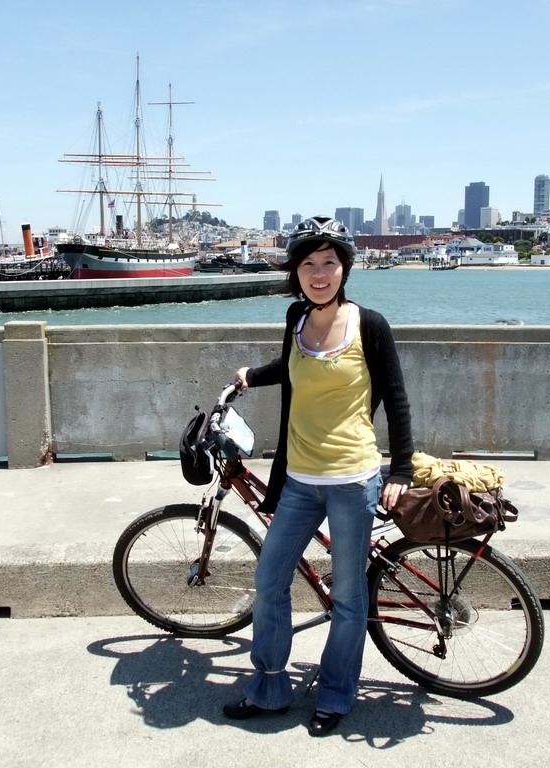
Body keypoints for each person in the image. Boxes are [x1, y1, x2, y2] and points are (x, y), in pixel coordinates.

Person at [222, 216, 414, 737]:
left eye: (329, 262)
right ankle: (268, 687)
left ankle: (334, 695)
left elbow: (396, 398)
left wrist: (401, 468)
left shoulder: (369, 324)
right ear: (296, 272)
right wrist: (252, 376)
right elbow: (291, 367)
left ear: (344, 267)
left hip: (353, 479)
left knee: (349, 597)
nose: (319, 273)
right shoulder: (295, 318)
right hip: (301, 479)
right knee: (269, 581)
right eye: (309, 263)